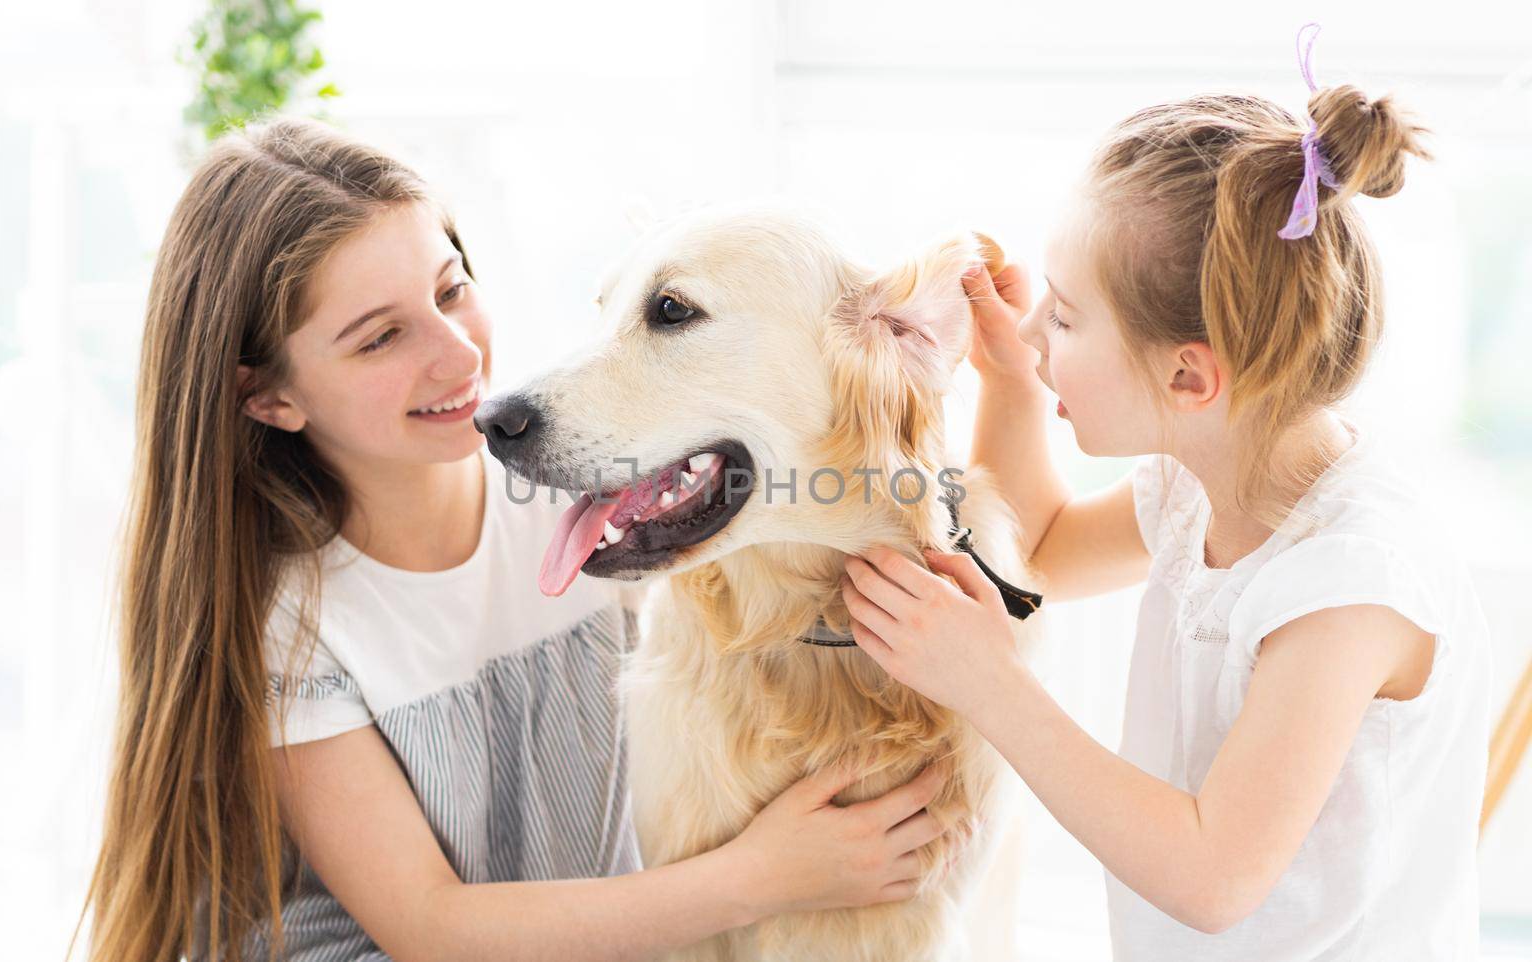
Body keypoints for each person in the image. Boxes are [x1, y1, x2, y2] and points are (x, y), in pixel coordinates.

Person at [80, 117, 950, 962]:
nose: (458, 355)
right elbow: (430, 930)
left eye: (451, 289)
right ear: (268, 397)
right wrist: (761, 879)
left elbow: (860, 496)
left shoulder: (588, 490)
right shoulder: (295, 620)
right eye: (382, 336)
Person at [840, 44, 1493, 962]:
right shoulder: (1207, 478)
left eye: (1063, 318)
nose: (1035, 328)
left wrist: (989, 682)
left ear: (1191, 375)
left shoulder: (1348, 587)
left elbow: (1212, 876)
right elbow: (1049, 551)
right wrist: (1015, 383)